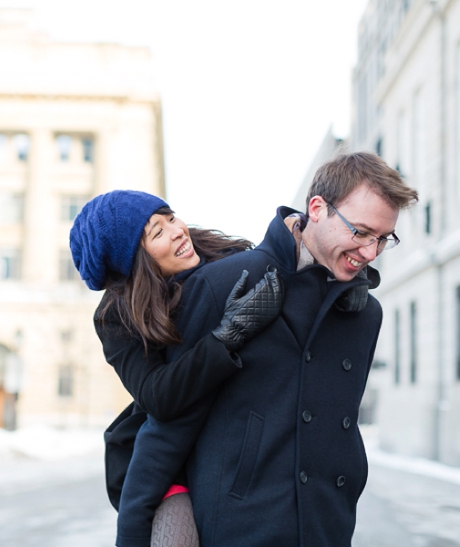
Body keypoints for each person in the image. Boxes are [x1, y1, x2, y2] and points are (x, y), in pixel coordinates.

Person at [116, 151, 419, 547]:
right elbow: (166, 430)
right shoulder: (224, 285)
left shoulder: (365, 315)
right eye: (360, 232)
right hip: (239, 529)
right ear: (317, 208)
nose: (370, 253)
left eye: (384, 239)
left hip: (328, 528)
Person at [69, 190, 285, 547]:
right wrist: (227, 336)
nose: (177, 231)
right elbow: (158, 396)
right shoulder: (116, 316)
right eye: (157, 232)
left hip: (234, 434)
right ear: (133, 261)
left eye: (170, 217)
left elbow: (285, 270)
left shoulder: (222, 257)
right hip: (170, 461)